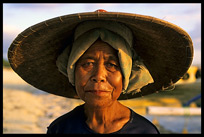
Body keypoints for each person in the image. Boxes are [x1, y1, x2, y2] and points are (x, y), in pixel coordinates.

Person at [8, 9, 193, 134]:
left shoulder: (145, 131)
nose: (98, 76)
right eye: (87, 64)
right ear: (72, 71)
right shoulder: (60, 129)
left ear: (127, 75)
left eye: (112, 65)